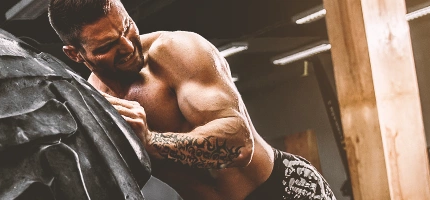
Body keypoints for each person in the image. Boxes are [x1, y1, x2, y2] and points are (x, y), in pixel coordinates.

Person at [48, 0, 336, 199]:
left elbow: (240, 145)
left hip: (280, 190)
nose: (127, 45)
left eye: (126, 27)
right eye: (107, 45)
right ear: (75, 54)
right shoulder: (95, 102)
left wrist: (150, 142)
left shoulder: (176, 51)